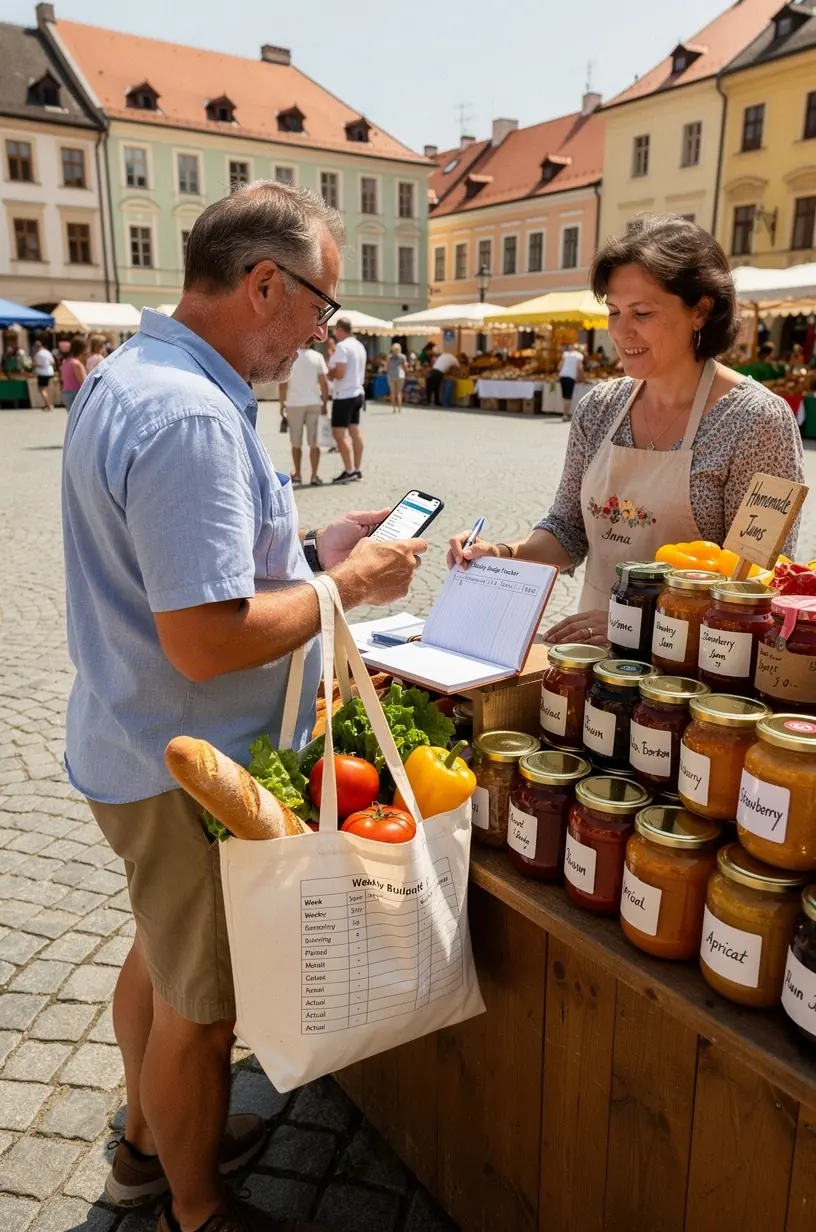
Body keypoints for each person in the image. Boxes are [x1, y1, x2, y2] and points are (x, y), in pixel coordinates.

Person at [61, 181, 427, 1232]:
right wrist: (344, 590)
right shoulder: (188, 415)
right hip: (189, 758)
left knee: (157, 954)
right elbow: (207, 636)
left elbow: (202, 576)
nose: (323, 330)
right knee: (199, 1004)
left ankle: (149, 1139)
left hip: (137, 736)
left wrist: (311, 553)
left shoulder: (142, 373)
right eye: (320, 305)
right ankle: (192, 1199)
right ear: (265, 281)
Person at [448, 214, 804, 646]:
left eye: (642, 313)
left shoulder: (757, 421)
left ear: (701, 310)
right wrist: (503, 553)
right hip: (591, 660)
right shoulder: (600, 407)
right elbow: (567, 529)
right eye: (614, 312)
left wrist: (637, 622)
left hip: (687, 674)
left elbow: (757, 580)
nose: (620, 331)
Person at [278, 343, 329, 485]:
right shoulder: (317, 357)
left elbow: (282, 384)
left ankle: (298, 474)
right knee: (314, 443)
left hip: (294, 403)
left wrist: (282, 403)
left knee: (296, 442)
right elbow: (324, 383)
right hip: (313, 402)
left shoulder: (290, 356)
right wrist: (325, 402)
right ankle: (314, 475)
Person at [328, 316, 366, 483]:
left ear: (340, 330)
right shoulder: (359, 346)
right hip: (358, 392)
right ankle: (357, 469)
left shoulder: (342, 347)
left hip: (344, 394)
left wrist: (329, 372)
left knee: (338, 433)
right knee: (354, 431)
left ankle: (349, 469)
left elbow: (340, 373)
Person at [60, 336, 87, 410]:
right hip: (75, 393)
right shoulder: (76, 364)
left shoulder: (65, 361)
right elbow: (83, 382)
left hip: (66, 392)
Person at [559, 344, 585, 421]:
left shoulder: (566, 354)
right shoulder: (579, 356)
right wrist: (583, 377)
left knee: (565, 396)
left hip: (563, 375)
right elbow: (580, 368)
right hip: (570, 376)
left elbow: (560, 366)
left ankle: (566, 412)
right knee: (568, 396)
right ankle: (565, 414)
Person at [32, 340, 55, 410]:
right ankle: (49, 403)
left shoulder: (38, 354)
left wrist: (32, 364)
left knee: (41, 389)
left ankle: (48, 404)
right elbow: (52, 361)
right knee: (46, 388)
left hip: (42, 373)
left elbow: (38, 364)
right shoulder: (48, 352)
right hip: (50, 372)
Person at [387, 342, 406, 412]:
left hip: (391, 375)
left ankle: (394, 408)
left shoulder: (389, 357)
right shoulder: (403, 356)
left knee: (392, 392)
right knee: (399, 392)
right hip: (400, 375)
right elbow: (405, 367)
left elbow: (387, 367)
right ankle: (400, 408)